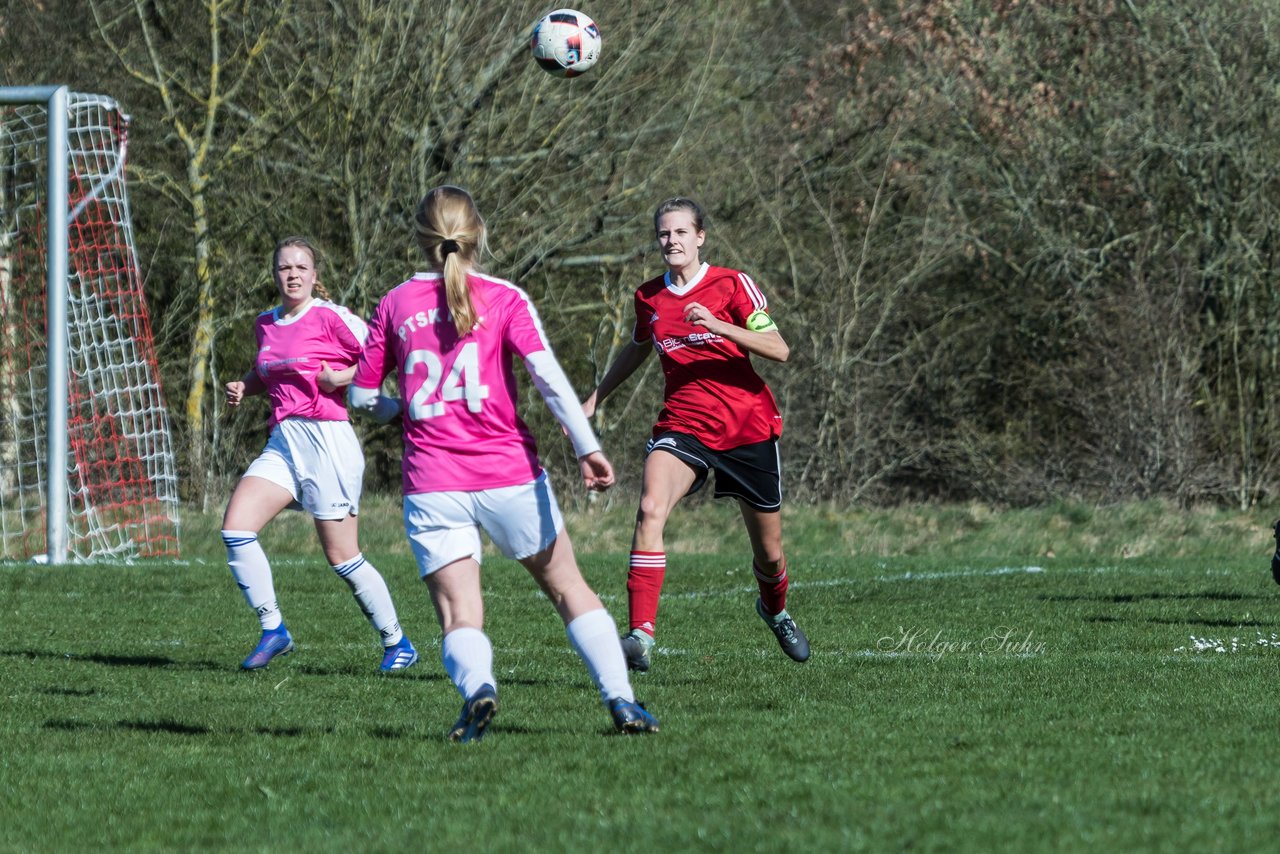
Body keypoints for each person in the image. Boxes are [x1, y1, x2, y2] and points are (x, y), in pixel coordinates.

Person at [349, 186, 658, 741]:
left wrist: (402, 412)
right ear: (479, 234)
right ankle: (622, 700)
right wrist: (587, 446)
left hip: (432, 483)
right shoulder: (504, 297)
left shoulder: (394, 303)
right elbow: (549, 380)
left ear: (420, 238)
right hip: (509, 474)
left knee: (459, 613)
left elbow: (360, 396)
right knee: (569, 590)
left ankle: (479, 689)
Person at [582, 197, 811, 672]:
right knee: (649, 509)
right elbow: (638, 347)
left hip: (747, 428)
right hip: (683, 426)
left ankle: (774, 609)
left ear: (700, 236)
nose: (672, 241)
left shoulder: (732, 284)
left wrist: (718, 324)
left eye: (681, 232)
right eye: (664, 234)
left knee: (769, 555)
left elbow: (779, 348)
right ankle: (640, 637)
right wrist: (596, 396)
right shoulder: (649, 297)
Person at [222, 236, 418, 673]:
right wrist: (245, 385)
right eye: (283, 267)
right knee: (236, 528)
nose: (292, 274)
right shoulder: (265, 323)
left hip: (328, 441)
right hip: (284, 441)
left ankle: (397, 642)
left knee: (342, 557)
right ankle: (274, 630)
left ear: (314, 275)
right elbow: (267, 369)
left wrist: (342, 377)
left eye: (300, 267)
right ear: (274, 274)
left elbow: (383, 352)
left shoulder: (331, 317)